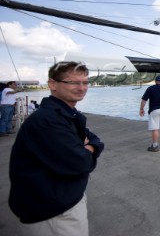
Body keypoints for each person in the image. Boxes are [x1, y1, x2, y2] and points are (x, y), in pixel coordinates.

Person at [9, 61, 104, 236]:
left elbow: (96, 140)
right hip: (53, 211)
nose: (82, 88)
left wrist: (89, 145)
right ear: (52, 84)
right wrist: (88, 148)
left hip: (62, 199)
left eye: (85, 82)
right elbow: (80, 163)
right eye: (74, 82)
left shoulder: (66, 115)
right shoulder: (47, 121)